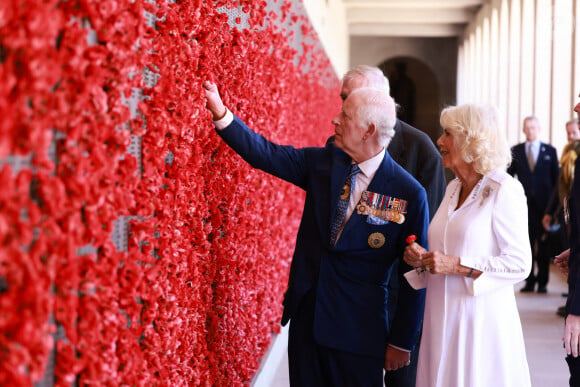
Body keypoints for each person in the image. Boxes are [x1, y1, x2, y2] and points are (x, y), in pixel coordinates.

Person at [203, 82, 429, 386]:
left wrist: (402, 341)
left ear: (368, 130)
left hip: (359, 333)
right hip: (308, 320)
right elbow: (267, 154)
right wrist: (221, 113)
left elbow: (415, 274)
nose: (335, 120)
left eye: (345, 116)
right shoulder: (324, 162)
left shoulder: (409, 193)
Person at [403, 104, 532, 387]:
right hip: (439, 318)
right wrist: (423, 259)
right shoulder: (452, 188)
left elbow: (520, 264)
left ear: (471, 140)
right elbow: (446, 250)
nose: (439, 141)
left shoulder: (504, 189)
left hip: (479, 322)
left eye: (447, 134)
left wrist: (457, 265)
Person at [339, 64, 446, 387]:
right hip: (351, 297)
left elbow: (426, 237)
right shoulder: (341, 143)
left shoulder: (420, 149)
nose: (341, 108)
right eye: (343, 98)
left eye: (350, 98)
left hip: (399, 297)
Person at [507, 116, 559, 293]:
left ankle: (543, 281)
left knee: (543, 244)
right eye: (527, 128)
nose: (530, 130)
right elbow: (508, 178)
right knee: (526, 243)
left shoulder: (550, 151)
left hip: (545, 207)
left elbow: (556, 181)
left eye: (533, 127)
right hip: (523, 207)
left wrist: (553, 210)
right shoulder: (516, 151)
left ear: (539, 129)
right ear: (523, 130)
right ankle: (529, 280)